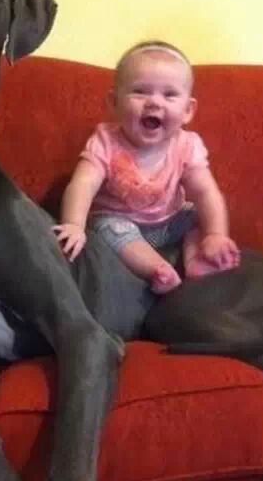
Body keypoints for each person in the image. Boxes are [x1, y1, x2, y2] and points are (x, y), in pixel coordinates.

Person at [53, 41, 240, 293]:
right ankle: (157, 269)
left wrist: (215, 234)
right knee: (106, 227)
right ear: (114, 103)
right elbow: (83, 184)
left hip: (170, 222)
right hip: (123, 223)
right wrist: (74, 224)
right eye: (140, 92)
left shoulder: (187, 145)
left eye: (169, 95)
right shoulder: (105, 141)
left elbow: (206, 192)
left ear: (188, 110)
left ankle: (196, 259)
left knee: (198, 214)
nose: (154, 102)